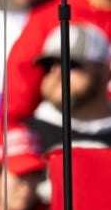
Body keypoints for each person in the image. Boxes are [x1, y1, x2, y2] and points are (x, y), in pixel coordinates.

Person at [24, 23, 111, 151]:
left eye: (70, 64)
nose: (57, 73)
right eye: (49, 65)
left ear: (104, 71)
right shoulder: (25, 137)